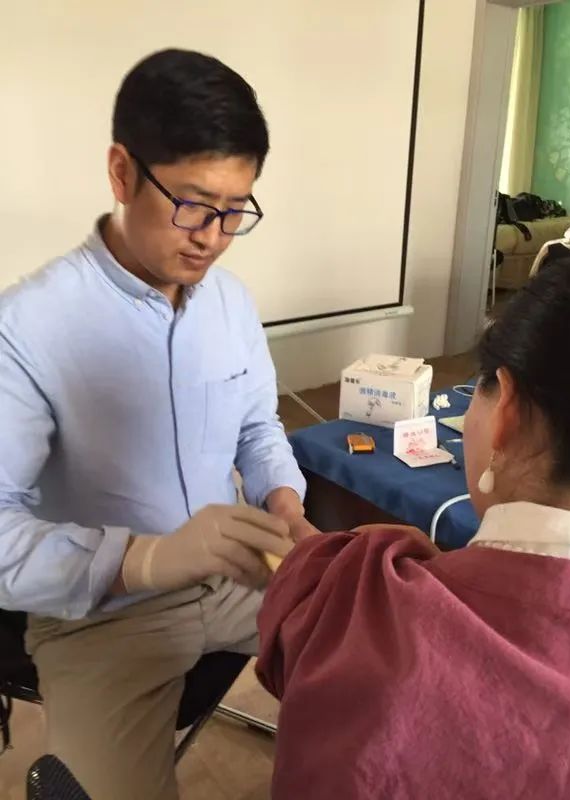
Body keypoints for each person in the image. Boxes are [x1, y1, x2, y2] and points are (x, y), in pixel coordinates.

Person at [0, 49, 314, 799]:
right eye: (195, 204)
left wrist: (283, 503)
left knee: (388, 659)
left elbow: (257, 427)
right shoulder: (28, 326)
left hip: (237, 575)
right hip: (100, 616)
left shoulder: (229, 302)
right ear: (121, 173)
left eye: (236, 211)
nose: (212, 236)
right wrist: (146, 560)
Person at [256, 250, 570, 800]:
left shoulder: (365, 602)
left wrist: (329, 547)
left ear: (506, 411)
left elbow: (258, 431)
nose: (208, 233)